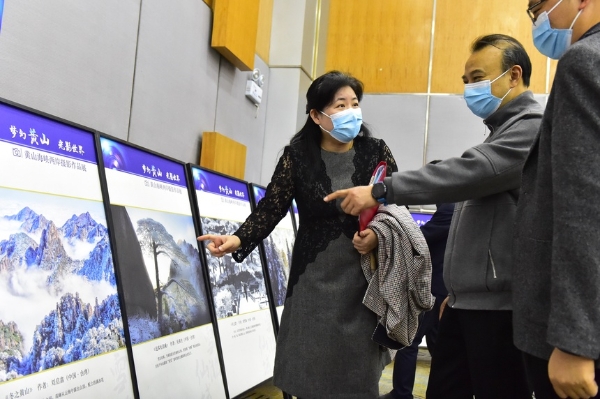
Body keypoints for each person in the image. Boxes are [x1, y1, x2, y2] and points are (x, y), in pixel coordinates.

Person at [325, 34, 543, 399]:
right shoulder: (498, 132)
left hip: (498, 310)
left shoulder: (530, 128)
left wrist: (380, 190)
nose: (469, 89)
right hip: (465, 303)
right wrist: (456, 291)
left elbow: (465, 173)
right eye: (465, 81)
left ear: (513, 75)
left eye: (477, 78)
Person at [198, 71, 398, 399]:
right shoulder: (298, 156)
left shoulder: (375, 151)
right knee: (309, 374)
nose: (351, 111)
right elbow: (271, 208)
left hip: (363, 282)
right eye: (340, 105)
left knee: (358, 378)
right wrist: (238, 238)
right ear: (316, 115)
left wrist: (378, 235)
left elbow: (396, 204)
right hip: (313, 282)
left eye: (355, 104)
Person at [513, 1, 600, 398]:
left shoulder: (583, 61)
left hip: (580, 340)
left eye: (540, 8)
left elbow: (584, 206)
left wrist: (574, 340)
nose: (539, 22)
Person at [380, 196, 455, 399]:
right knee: (439, 348)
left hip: (432, 292)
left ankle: (402, 394)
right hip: (447, 292)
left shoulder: (448, 208)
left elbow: (419, 241)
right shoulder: (454, 208)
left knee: (409, 343)